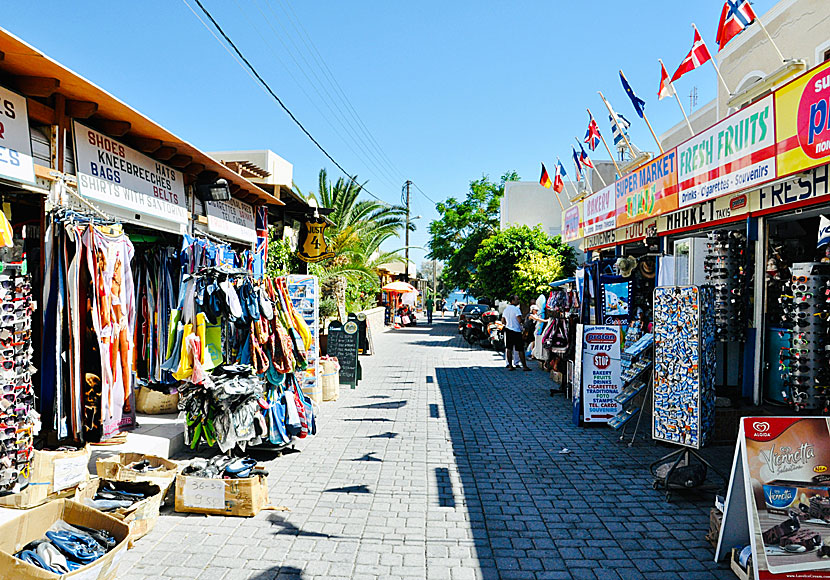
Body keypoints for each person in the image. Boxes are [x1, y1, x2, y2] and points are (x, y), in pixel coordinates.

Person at [502, 295, 530, 371]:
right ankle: (524, 366)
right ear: (512, 301)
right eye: (517, 299)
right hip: (516, 330)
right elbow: (519, 320)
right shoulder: (516, 309)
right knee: (520, 349)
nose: (518, 301)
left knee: (509, 348)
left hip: (508, 330)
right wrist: (524, 320)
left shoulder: (506, 309)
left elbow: (503, 321)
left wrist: (509, 323)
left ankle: (510, 365)